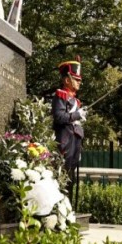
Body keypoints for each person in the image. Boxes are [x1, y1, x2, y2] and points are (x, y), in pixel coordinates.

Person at [52, 56, 86, 203]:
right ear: (67, 80)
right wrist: (77, 114)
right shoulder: (60, 95)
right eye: (76, 79)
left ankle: (68, 207)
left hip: (75, 141)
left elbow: (74, 122)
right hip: (64, 140)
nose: (79, 82)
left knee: (71, 176)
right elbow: (59, 117)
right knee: (63, 174)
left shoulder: (75, 101)